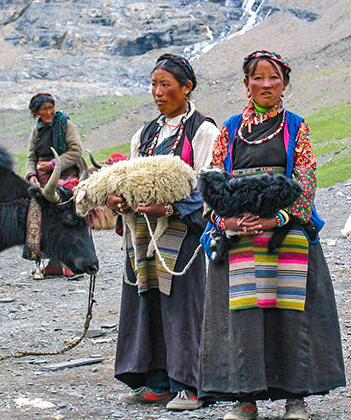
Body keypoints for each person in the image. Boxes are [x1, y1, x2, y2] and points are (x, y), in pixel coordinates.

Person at [197, 51, 345, 420]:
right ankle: (245, 398)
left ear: (285, 83)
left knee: (291, 316)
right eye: (257, 78)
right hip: (238, 238)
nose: (266, 84)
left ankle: (296, 397)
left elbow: (305, 181)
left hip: (286, 235)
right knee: (243, 319)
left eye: (274, 78)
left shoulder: (297, 126)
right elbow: (213, 180)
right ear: (246, 84)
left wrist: (275, 219)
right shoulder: (230, 129)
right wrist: (224, 221)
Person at [107, 54, 219, 412]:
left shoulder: (203, 131)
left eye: (165, 84)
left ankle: (190, 385)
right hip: (142, 233)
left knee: (183, 307)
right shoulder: (145, 134)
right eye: (153, 84)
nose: (157, 92)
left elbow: (209, 185)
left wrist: (171, 209)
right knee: (147, 303)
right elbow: (130, 179)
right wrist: (120, 201)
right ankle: (155, 381)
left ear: (187, 88)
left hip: (182, 234)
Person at [25, 92, 85, 279]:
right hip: (42, 179)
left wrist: (53, 165)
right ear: (37, 113)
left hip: (65, 177)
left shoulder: (65, 124)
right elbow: (32, 156)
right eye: (44, 109)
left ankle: (72, 263)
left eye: (51, 107)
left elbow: (76, 151)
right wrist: (32, 174)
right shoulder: (38, 129)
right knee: (45, 220)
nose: (49, 112)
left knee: (66, 217)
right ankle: (53, 263)